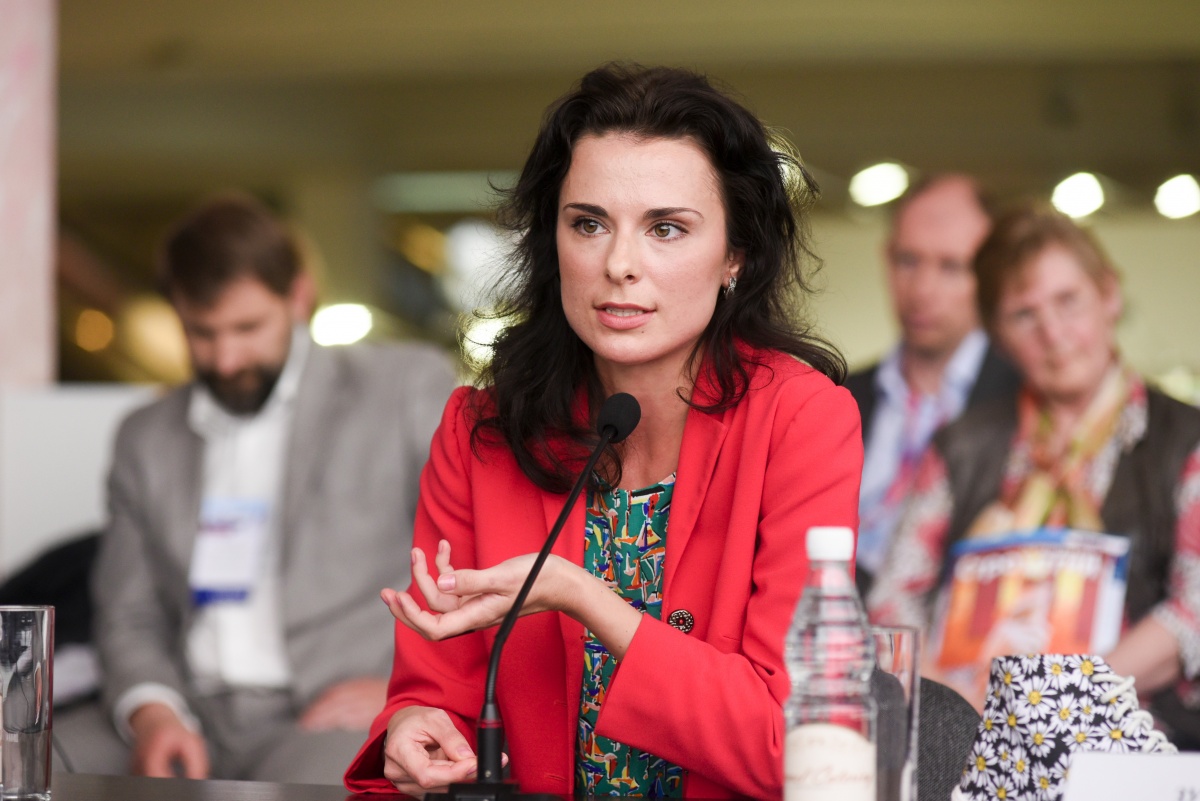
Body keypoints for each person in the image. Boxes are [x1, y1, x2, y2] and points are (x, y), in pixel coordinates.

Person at [342, 65, 862, 799]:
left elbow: (793, 744)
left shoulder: (802, 420)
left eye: (666, 229)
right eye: (588, 224)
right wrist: (416, 726)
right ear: (552, 242)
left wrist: (585, 598)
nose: (619, 265)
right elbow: (437, 689)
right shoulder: (478, 429)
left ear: (735, 255)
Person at [83, 194, 458, 782]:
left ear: (299, 297)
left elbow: (472, 560)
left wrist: (412, 689)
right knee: (35, 758)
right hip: (187, 707)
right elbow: (128, 613)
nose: (226, 359)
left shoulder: (403, 389)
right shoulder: (144, 437)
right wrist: (152, 712)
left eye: (247, 328)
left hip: (328, 712)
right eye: (201, 333)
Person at [867, 204, 1200, 746]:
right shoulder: (962, 444)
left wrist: (1053, 703)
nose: (1053, 333)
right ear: (997, 336)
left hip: (1135, 745)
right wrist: (954, 701)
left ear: (1110, 296)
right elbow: (891, 603)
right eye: (1024, 315)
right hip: (974, 741)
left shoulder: (1185, 439)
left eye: (1068, 301)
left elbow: (1194, 612)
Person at [846, 176, 1020, 595]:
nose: (922, 291)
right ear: (886, 259)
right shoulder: (836, 394)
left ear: (993, 277)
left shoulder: (1026, 403)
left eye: (951, 267)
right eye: (908, 261)